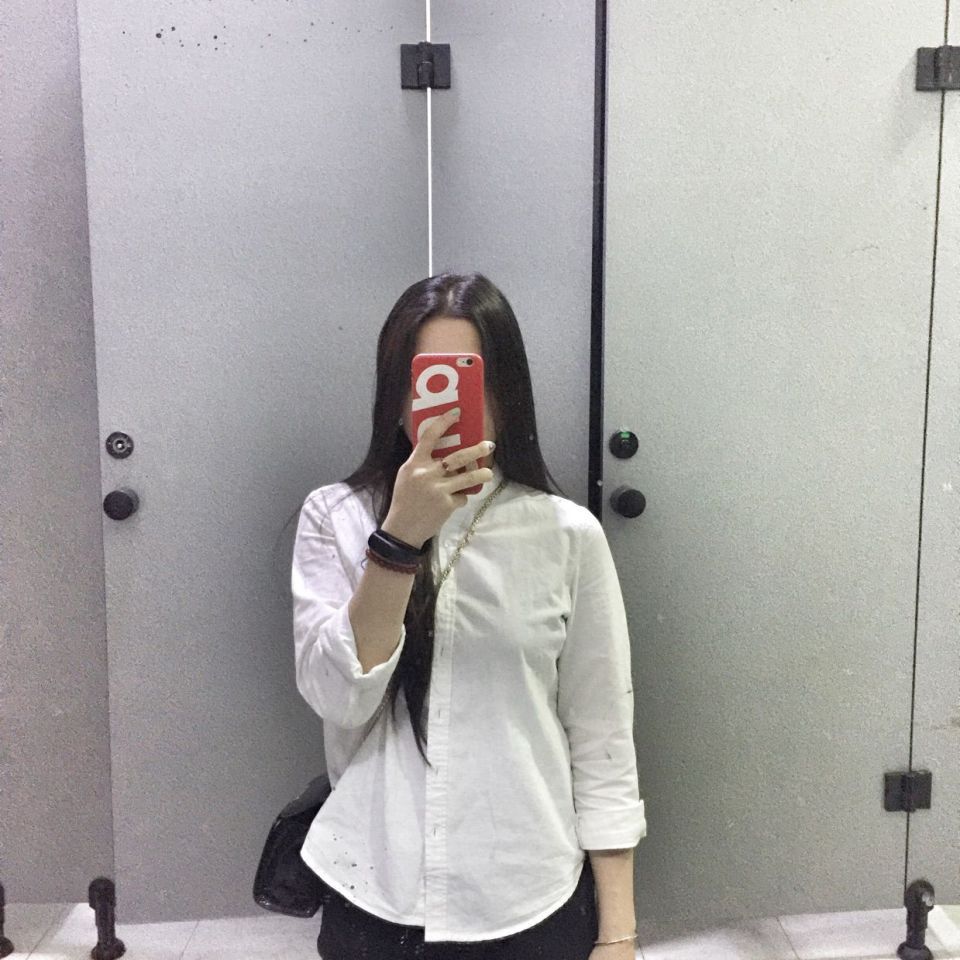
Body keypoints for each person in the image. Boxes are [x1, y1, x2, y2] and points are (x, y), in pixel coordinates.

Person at [290, 272, 646, 959]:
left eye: (471, 378)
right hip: (375, 886)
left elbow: (602, 731)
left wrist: (619, 932)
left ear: (508, 393)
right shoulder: (334, 518)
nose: (452, 404)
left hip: (530, 890)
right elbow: (338, 697)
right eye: (428, 379)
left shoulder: (567, 535)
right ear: (396, 394)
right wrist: (397, 542)